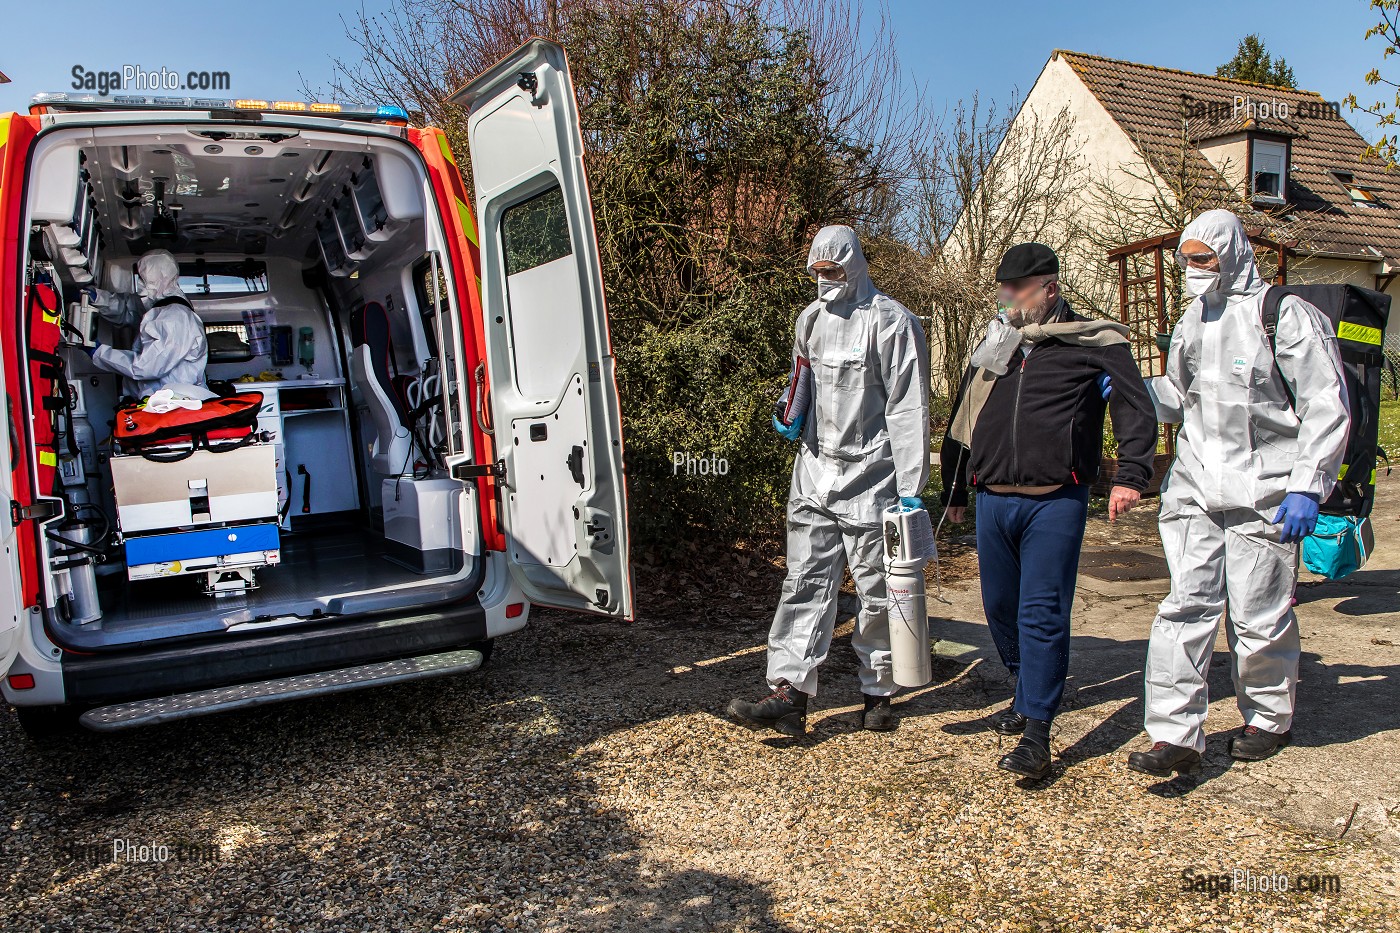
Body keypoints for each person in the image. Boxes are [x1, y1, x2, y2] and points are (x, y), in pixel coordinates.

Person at [1126, 210, 1349, 777]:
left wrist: (1308, 485)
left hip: (1266, 492)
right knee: (1184, 608)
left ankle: (1268, 718)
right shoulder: (1192, 320)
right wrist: (1128, 387)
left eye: (1204, 259)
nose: (1194, 271)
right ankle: (1173, 732)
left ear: (1231, 254)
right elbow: (1181, 396)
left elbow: (1326, 404)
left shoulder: (1283, 315)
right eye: (1187, 261)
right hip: (1196, 487)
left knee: (1257, 613)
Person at [940, 243, 1157, 781]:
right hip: (993, 495)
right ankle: (1025, 689)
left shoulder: (1095, 343)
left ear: (1048, 289)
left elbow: (1135, 406)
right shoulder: (997, 345)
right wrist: (955, 492)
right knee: (998, 607)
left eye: (1015, 291)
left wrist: (1131, 474)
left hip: (1055, 498)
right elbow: (962, 419)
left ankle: (1037, 730)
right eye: (1003, 291)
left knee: (1042, 612)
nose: (1005, 301)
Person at [727, 225, 930, 736]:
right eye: (817, 272)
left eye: (834, 271)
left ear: (855, 265)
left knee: (876, 588)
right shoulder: (809, 321)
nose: (826, 280)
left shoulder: (892, 322)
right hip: (815, 470)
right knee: (803, 582)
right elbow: (803, 381)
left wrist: (909, 486)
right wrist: (788, 410)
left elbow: (909, 408)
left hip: (873, 475)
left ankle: (878, 692)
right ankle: (790, 695)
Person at [86, 250, 209, 399]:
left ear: (161, 278)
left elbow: (147, 366)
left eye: (144, 279)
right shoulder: (162, 308)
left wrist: (99, 353)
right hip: (163, 404)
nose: (139, 285)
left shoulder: (175, 318)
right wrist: (98, 298)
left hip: (174, 406)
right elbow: (128, 310)